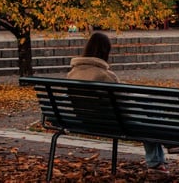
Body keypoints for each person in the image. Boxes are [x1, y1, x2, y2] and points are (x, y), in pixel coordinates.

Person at [67, 32, 168, 171]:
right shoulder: (105, 76)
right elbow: (124, 104)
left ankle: (158, 158)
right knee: (148, 114)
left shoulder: (72, 74)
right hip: (114, 124)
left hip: (86, 120)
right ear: (105, 52)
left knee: (148, 108)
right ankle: (162, 151)